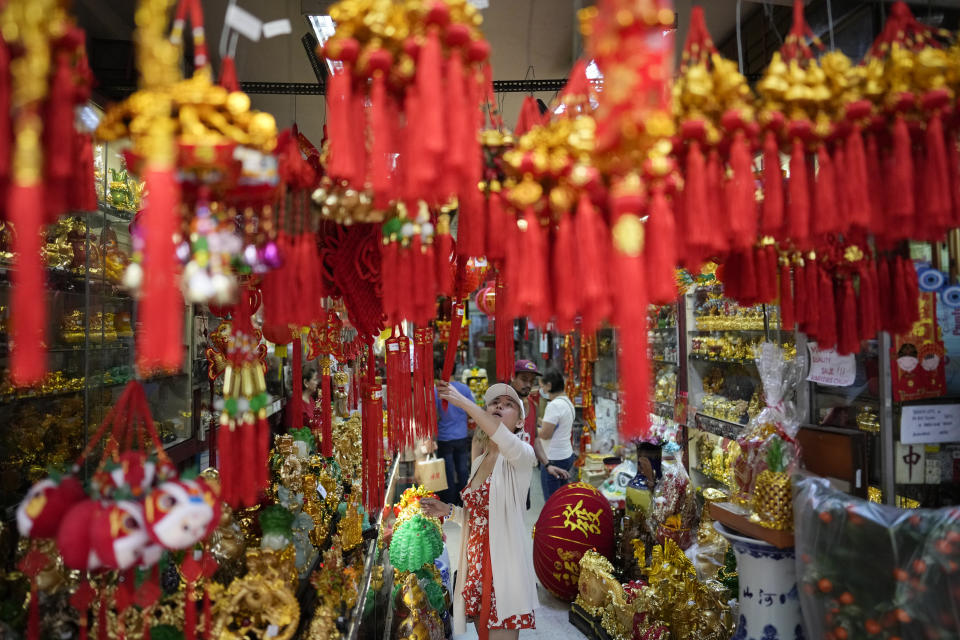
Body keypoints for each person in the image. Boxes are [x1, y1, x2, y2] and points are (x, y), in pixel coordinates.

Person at [422, 382, 539, 640]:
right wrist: (448, 509)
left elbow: (502, 437)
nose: (499, 406)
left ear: (520, 422)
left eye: (508, 405)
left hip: (503, 569)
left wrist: (464, 403)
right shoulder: (479, 461)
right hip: (475, 567)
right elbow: (478, 519)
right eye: (495, 402)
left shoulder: (521, 456)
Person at [434, 363, 474, 506]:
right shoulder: (464, 389)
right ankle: (464, 501)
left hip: (444, 437)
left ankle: (449, 501)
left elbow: (433, 413)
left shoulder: (437, 390)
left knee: (448, 471)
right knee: (463, 470)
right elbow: (473, 410)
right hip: (461, 435)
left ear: (440, 371)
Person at [535, 369, 576, 501]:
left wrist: (531, 430)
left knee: (552, 502)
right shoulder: (567, 403)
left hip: (553, 458)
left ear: (549, 386)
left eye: (542, 386)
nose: (541, 390)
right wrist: (538, 421)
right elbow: (556, 426)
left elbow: (545, 434)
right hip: (565, 455)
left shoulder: (554, 406)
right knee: (562, 499)